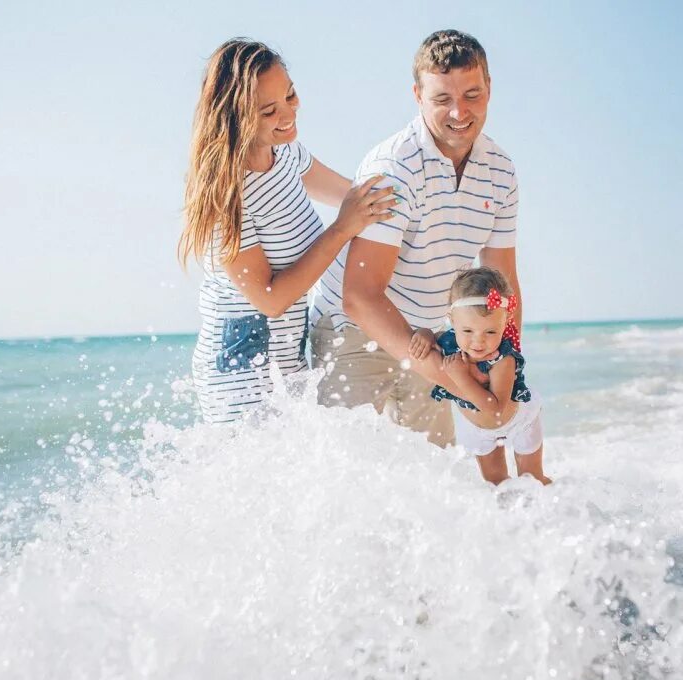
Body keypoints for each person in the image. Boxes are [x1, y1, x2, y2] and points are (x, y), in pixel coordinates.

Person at [310, 30, 521, 447]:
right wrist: (457, 382)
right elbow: (361, 296)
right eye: (442, 99)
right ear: (418, 95)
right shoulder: (394, 168)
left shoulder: (501, 170)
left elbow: (502, 283)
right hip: (355, 333)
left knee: (430, 477)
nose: (460, 112)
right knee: (346, 472)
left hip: (433, 335)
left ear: (490, 87)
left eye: (472, 94)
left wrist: (507, 366)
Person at [179, 38, 396, 423]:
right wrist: (342, 229)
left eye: (291, 95)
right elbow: (270, 300)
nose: (288, 113)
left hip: (288, 356)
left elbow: (355, 197)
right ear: (236, 115)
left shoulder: (287, 153)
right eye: (269, 111)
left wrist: (408, 201)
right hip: (239, 368)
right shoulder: (226, 197)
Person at [409, 268, 548, 484]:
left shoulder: (503, 358)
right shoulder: (448, 340)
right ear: (452, 320)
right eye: (467, 331)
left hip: (519, 422)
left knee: (533, 480)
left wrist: (460, 376)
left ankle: (556, 512)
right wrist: (425, 334)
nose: (478, 341)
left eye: (491, 332)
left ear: (505, 322)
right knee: (496, 484)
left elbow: (495, 409)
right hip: (477, 429)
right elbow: (434, 337)